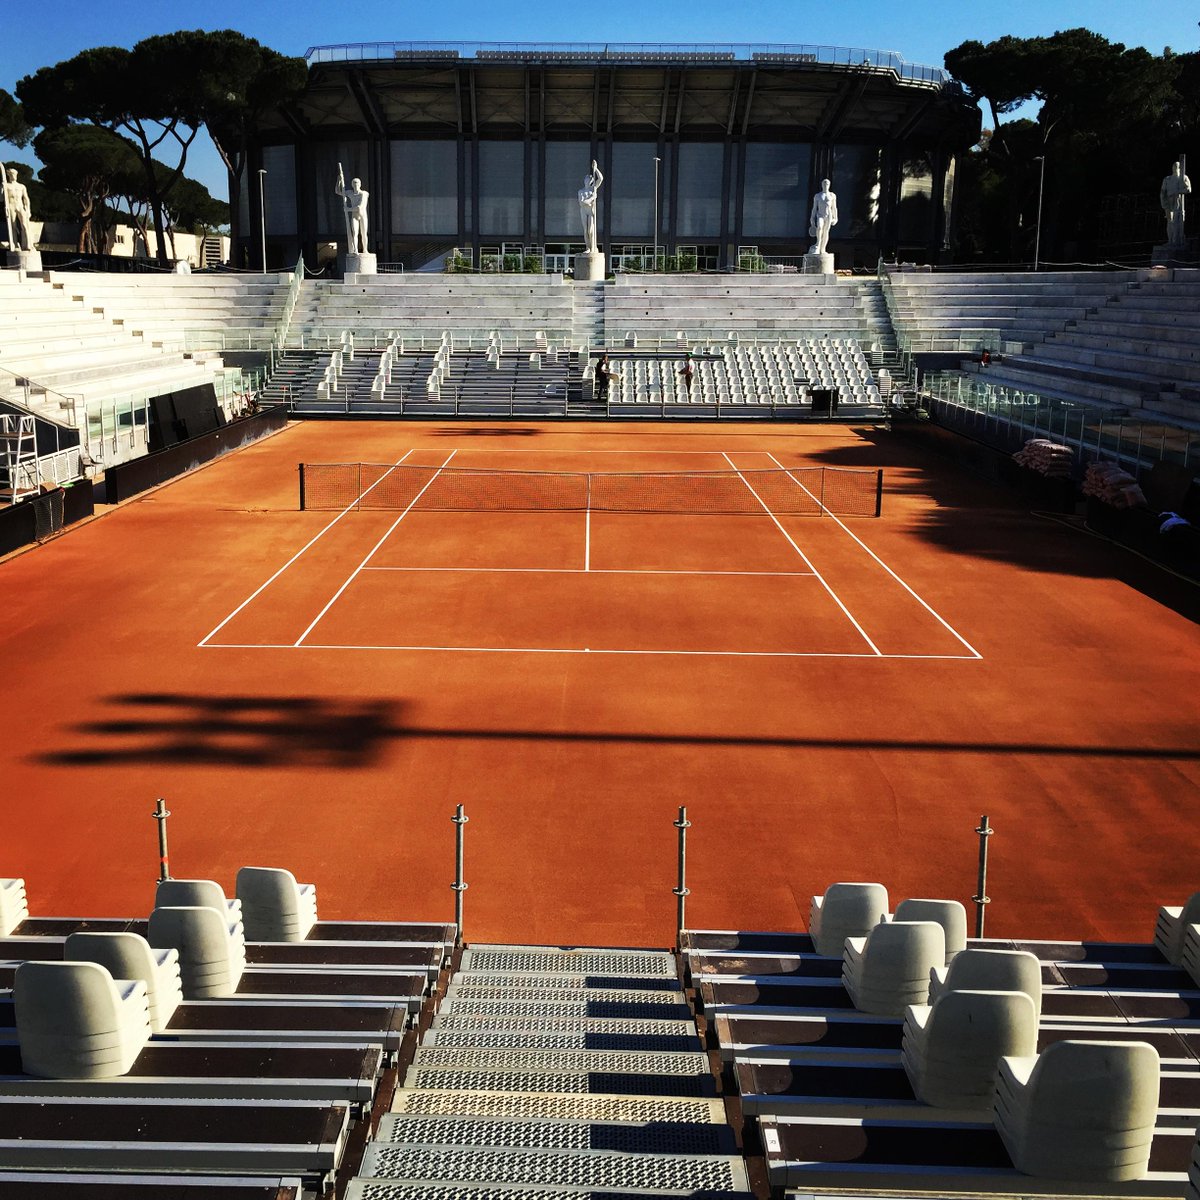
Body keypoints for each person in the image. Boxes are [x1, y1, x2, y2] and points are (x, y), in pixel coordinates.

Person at [335, 165, 370, 255]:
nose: (356, 185)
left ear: (360, 184)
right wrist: (339, 181)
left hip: (362, 215)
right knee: (355, 233)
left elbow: (360, 207)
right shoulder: (350, 193)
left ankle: (365, 249)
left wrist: (348, 209)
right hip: (354, 216)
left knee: (363, 233)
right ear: (352, 185)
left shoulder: (364, 194)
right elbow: (338, 192)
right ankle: (355, 250)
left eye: (357, 183)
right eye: (354, 183)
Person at [1160, 159, 1191, 248]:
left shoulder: (1184, 177)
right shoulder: (1167, 179)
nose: (1175, 168)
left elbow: (1188, 189)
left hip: (1179, 203)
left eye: (1177, 167)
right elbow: (1162, 192)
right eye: (1174, 166)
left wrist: (1178, 191)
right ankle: (1170, 241)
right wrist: (1164, 203)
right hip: (1169, 202)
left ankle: (1177, 240)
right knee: (1170, 221)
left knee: (1179, 221)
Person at [3, 167, 33, 253]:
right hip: (11, 206)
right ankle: (15, 244)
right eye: (12, 174)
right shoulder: (6, 186)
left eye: (15, 174)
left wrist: (28, 209)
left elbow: (26, 198)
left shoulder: (21, 186)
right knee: (12, 226)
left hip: (20, 206)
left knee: (25, 225)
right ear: (9, 175)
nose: (14, 176)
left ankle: (27, 245)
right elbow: (1, 199)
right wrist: (2, 188)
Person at [578, 160, 604, 255]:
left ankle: (593, 247)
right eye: (586, 178)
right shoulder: (581, 191)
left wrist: (596, 169)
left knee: (591, 230)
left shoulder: (593, 189)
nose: (587, 180)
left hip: (591, 212)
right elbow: (582, 202)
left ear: (591, 181)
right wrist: (592, 198)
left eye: (589, 179)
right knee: (585, 230)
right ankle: (588, 247)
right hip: (584, 211)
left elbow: (600, 178)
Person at [808, 178, 838, 256]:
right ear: (822, 185)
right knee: (820, 227)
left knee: (826, 232)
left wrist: (836, 218)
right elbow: (814, 208)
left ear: (829, 185)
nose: (826, 185)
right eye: (824, 184)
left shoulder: (832, 195)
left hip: (829, 215)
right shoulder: (817, 196)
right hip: (820, 215)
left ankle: (823, 248)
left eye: (827, 184)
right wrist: (812, 218)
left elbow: (834, 208)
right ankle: (818, 244)